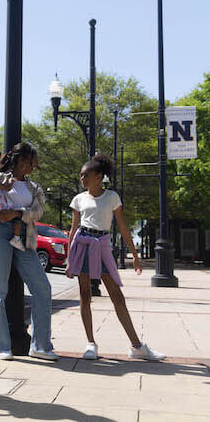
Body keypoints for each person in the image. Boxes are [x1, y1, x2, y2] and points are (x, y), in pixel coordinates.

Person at [66, 154, 165, 361]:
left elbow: (122, 227)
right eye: (81, 175)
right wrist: (69, 259)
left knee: (117, 296)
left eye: (86, 175)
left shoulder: (112, 197)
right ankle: (90, 344)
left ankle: (137, 346)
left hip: (101, 246)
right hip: (83, 245)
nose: (81, 178)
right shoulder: (79, 199)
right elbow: (73, 231)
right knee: (85, 295)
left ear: (98, 176)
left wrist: (136, 256)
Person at [0, 142, 57, 361]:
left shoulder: (34, 188)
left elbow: (37, 212)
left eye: (33, 164)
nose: (31, 167)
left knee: (42, 287)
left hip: (23, 233)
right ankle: (0, 346)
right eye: (29, 162)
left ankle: (41, 345)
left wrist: (17, 213)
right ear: (19, 160)